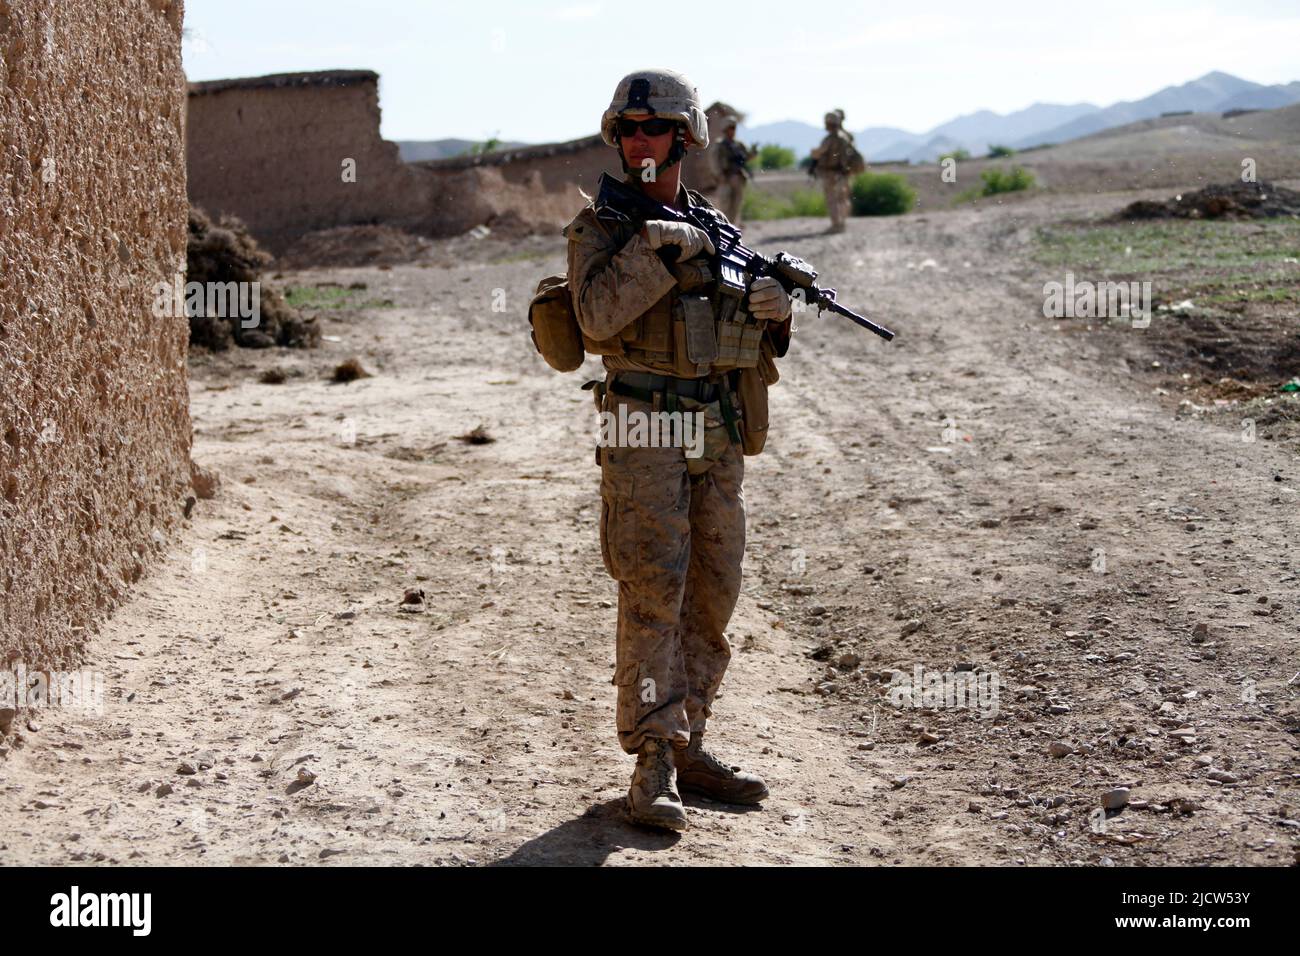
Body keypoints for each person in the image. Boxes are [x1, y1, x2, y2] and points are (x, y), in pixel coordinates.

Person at [563, 69, 792, 832]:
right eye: (628, 129)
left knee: (713, 590)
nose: (639, 142)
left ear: (684, 138)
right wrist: (657, 251)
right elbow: (595, 320)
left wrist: (774, 312)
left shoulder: (716, 225)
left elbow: (740, 333)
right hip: (643, 427)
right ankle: (653, 760)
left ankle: (693, 741)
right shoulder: (601, 228)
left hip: (715, 426)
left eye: (654, 128)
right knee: (653, 588)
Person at [809, 110, 857, 233]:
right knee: (843, 199)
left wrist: (813, 153)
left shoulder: (830, 139)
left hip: (830, 173)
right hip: (844, 173)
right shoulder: (846, 137)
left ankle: (836, 225)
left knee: (832, 199)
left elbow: (819, 152)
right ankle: (843, 223)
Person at [710, 116, 757, 225]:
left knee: (736, 206)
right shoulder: (720, 145)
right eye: (731, 128)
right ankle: (724, 228)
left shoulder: (739, 145)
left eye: (734, 128)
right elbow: (714, 161)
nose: (733, 130)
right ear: (725, 129)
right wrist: (720, 175)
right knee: (725, 206)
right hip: (726, 179)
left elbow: (746, 157)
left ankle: (733, 227)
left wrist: (753, 153)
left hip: (738, 178)